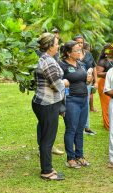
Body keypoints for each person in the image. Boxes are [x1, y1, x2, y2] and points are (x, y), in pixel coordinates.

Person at [32, 32, 69, 180]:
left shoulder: (44, 59)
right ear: (50, 46)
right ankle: (46, 171)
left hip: (42, 101)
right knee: (48, 138)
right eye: (56, 43)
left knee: (44, 135)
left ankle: (47, 167)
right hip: (48, 103)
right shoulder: (48, 61)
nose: (58, 45)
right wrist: (65, 83)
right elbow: (56, 84)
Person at [59, 41, 92, 168]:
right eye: (76, 51)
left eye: (80, 50)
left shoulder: (81, 64)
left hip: (84, 100)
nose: (79, 53)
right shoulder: (62, 65)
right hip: (71, 100)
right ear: (68, 53)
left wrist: (89, 80)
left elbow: (86, 81)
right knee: (71, 129)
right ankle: (70, 158)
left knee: (80, 129)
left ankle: (80, 156)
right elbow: (58, 82)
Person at [73, 35, 97, 135]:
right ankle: (77, 126)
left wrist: (96, 81)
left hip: (87, 83)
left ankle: (86, 126)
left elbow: (94, 67)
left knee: (86, 104)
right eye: (77, 42)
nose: (79, 44)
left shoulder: (88, 54)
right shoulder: (72, 54)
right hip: (75, 83)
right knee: (75, 104)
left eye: (81, 42)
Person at [96, 44, 113, 130]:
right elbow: (98, 73)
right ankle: (108, 125)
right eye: (108, 50)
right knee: (106, 105)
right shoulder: (102, 61)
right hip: (104, 83)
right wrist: (109, 74)